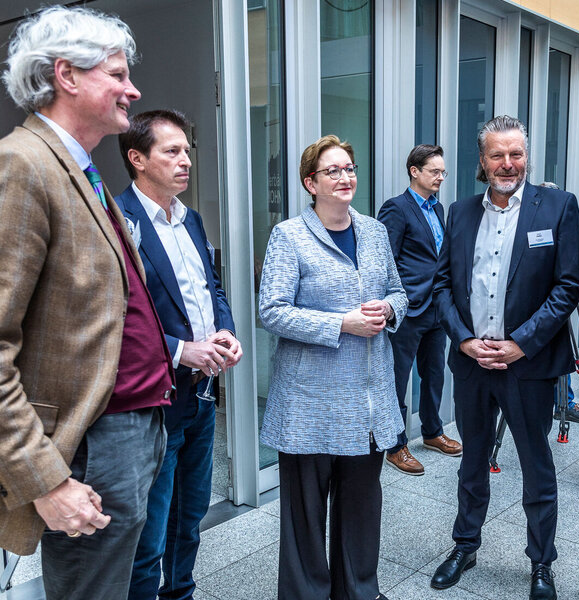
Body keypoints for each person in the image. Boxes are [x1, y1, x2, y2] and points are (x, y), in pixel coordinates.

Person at [0, 7, 175, 600]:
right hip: (88, 444)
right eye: (118, 74)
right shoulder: (22, 165)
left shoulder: (82, 168)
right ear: (66, 76)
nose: (134, 89)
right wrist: (45, 481)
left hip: (135, 423)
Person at [430, 115, 579, 600]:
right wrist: (463, 340)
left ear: (527, 155)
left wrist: (521, 343)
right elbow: (441, 285)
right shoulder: (459, 212)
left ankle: (541, 563)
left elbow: (568, 286)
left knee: (537, 466)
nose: (507, 163)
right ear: (481, 160)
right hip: (473, 364)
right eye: (497, 154)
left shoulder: (558, 206)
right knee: (472, 460)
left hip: (529, 366)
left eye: (515, 153)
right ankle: (465, 545)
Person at [258, 135, 406, 600]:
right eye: (333, 171)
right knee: (305, 518)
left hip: (367, 399)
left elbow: (399, 291)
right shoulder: (289, 236)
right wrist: (341, 322)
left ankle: (358, 591)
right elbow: (272, 311)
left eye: (349, 168)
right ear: (310, 183)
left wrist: (389, 309)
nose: (345, 178)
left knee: (361, 509)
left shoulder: (375, 232)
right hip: (310, 403)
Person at [114, 110, 243, 600]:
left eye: (187, 150)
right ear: (137, 158)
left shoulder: (192, 220)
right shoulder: (119, 224)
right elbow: (114, 318)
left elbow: (212, 288)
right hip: (153, 404)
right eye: (172, 151)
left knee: (190, 522)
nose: (186, 160)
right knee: (149, 535)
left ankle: (181, 594)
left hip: (202, 397)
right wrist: (179, 350)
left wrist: (225, 331)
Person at [377, 144, 462, 476]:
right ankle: (395, 446)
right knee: (398, 378)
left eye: (443, 172)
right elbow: (385, 262)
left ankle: (432, 432)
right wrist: (395, 301)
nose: (441, 177)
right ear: (415, 171)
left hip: (438, 307)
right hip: (409, 308)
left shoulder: (438, 209)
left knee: (435, 374)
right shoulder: (396, 209)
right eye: (435, 171)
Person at [537, 181, 579, 426]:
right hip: (534, 308)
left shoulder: (567, 226)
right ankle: (540, 404)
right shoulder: (530, 225)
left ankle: (566, 403)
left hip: (559, 304)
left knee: (562, 352)